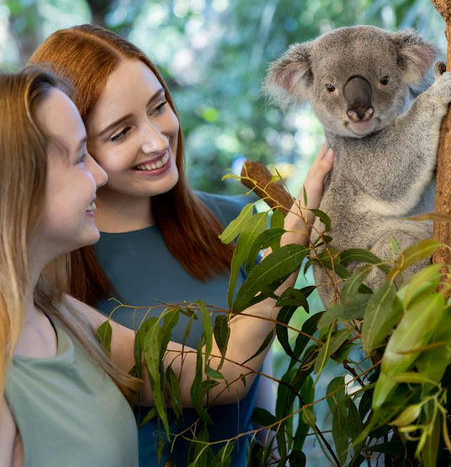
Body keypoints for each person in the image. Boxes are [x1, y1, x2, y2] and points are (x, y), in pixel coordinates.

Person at [0, 67, 333, 466]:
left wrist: (291, 240)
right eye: (79, 158)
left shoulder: (58, 313)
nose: (98, 174)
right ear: (12, 190)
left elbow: (221, 374)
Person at [28, 24, 312, 466]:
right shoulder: (47, 275)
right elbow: (224, 376)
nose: (157, 140)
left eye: (158, 106)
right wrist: (285, 258)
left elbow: (260, 392)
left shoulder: (233, 221)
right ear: (73, 147)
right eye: (120, 132)